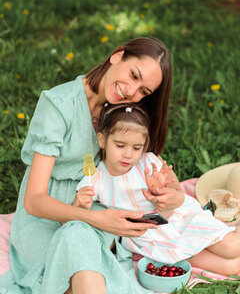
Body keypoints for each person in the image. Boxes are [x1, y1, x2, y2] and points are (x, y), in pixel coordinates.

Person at [0, 37, 184, 294]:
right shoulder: (59, 104)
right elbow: (34, 201)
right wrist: (96, 219)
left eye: (143, 91)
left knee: (79, 239)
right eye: (133, 75)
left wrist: (169, 194)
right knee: (77, 238)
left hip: (95, 203)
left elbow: (137, 164)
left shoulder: (121, 111)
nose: (132, 92)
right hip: (46, 215)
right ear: (117, 55)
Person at [75, 103, 240, 277]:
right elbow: (72, 219)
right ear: (102, 140)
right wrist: (82, 205)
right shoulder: (96, 177)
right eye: (120, 145)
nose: (128, 154)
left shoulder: (148, 163)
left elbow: (172, 202)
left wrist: (161, 190)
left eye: (136, 148)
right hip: (151, 236)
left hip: (178, 217)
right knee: (230, 267)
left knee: (232, 247)